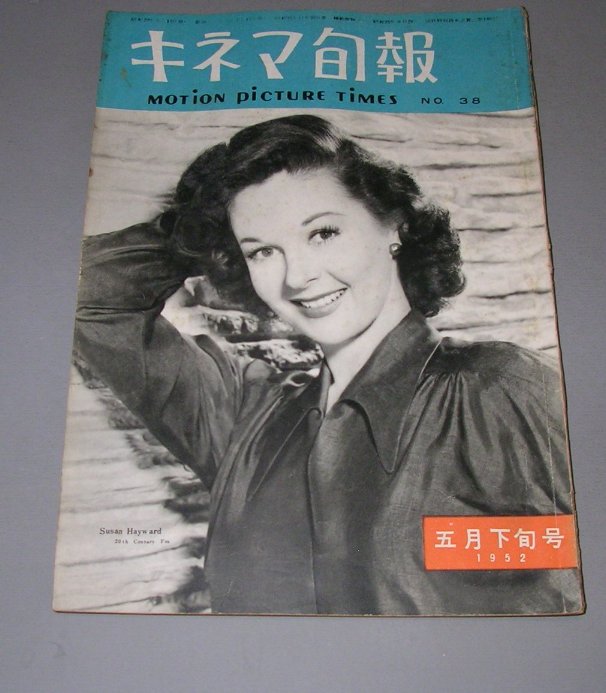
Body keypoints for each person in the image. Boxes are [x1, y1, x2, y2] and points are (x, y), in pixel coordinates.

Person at [75, 114, 582, 615]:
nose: (298, 276)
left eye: (322, 233)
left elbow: (570, 594)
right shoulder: (248, 415)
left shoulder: (498, 391)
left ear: (395, 226)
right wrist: (204, 224)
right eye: (263, 251)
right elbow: (89, 294)